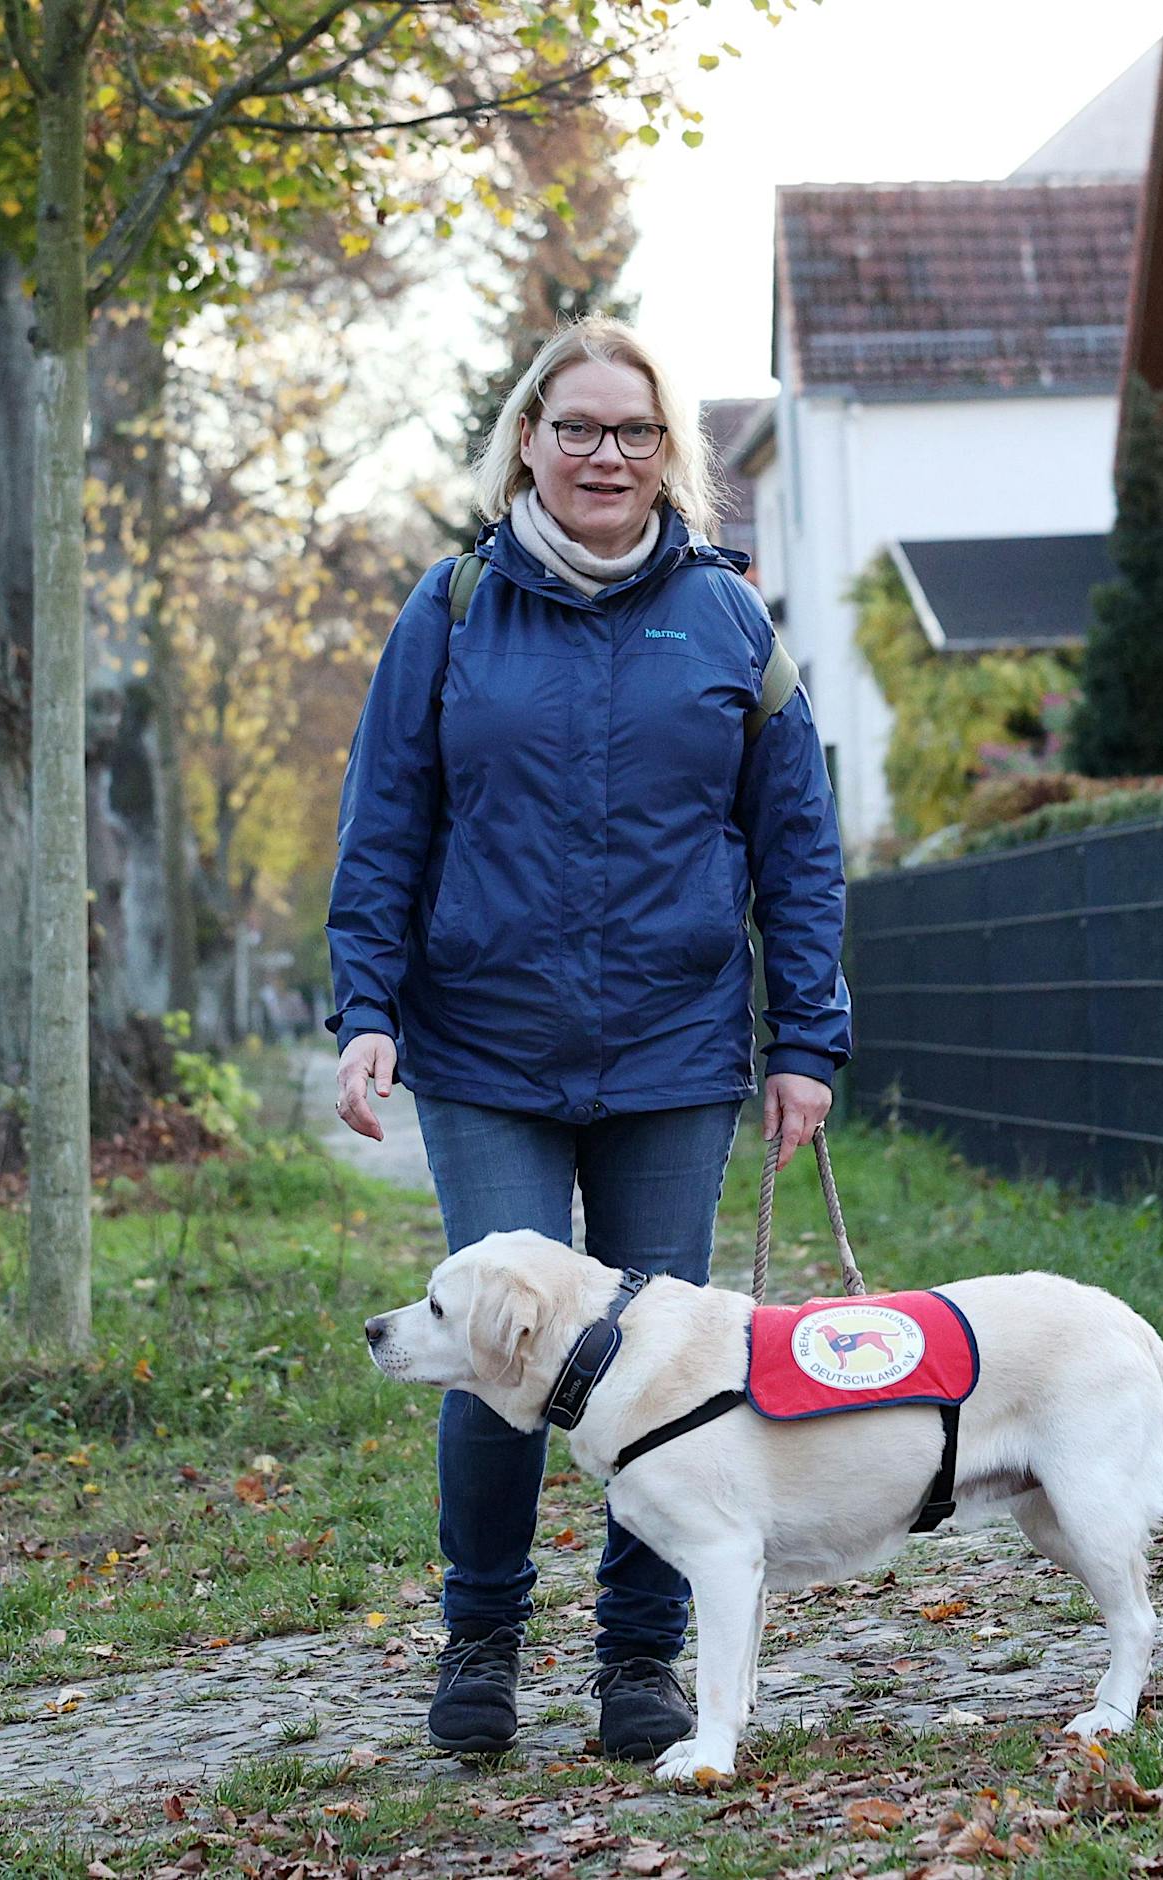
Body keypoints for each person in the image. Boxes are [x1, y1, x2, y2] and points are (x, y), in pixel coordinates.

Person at [324, 315, 851, 1761]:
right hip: (486, 1046)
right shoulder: (449, 608)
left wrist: (807, 1035)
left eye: (634, 431)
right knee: (497, 1349)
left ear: (668, 451)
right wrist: (366, 1008)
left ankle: (640, 1662)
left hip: (673, 1056)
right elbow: (386, 823)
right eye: (578, 428)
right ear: (529, 443)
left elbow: (796, 843)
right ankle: (482, 1641)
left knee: (665, 1367)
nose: (605, 454)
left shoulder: (731, 622)